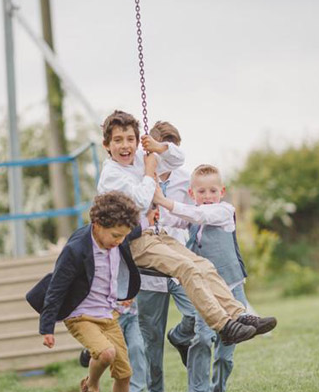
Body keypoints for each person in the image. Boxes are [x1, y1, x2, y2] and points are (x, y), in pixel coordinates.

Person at [97, 110, 271, 347]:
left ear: (138, 141)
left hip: (156, 234)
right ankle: (223, 325)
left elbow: (177, 160)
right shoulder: (111, 174)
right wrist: (150, 170)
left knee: (204, 265)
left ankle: (238, 314)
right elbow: (139, 200)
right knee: (186, 267)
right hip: (133, 240)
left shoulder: (140, 157)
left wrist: (158, 147)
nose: (125, 146)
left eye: (130, 139)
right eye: (118, 140)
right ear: (106, 145)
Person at [152, 164, 277, 392]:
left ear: (222, 191)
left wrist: (165, 201)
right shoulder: (191, 216)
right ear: (192, 193)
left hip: (232, 291)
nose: (207, 196)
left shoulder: (223, 211)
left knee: (225, 353)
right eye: (201, 191)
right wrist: (155, 207)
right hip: (206, 295)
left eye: (212, 191)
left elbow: (201, 216)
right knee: (201, 340)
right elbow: (171, 219)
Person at [26, 191, 143, 392]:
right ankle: (90, 385)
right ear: (98, 225)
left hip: (107, 313)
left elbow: (134, 231)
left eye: (123, 235)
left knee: (124, 373)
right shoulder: (77, 249)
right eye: (115, 236)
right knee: (106, 353)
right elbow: (56, 288)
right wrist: (46, 327)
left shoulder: (118, 235)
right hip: (80, 314)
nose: (120, 241)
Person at [134, 121, 198, 392]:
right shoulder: (141, 178)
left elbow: (190, 217)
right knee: (151, 334)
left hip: (177, 258)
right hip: (149, 267)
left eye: (169, 149)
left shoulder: (185, 180)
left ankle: (181, 335)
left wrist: (167, 214)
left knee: (195, 315)